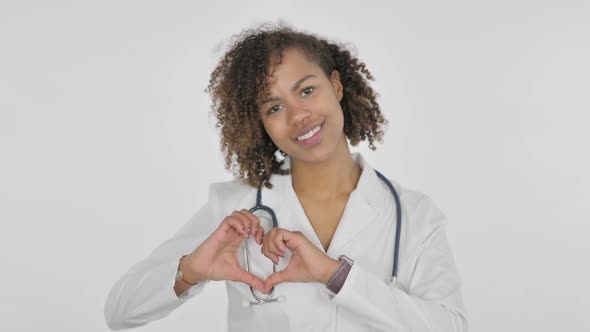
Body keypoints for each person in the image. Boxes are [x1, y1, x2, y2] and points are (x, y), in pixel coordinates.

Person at [104, 24, 468, 331]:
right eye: (274, 107)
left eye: (307, 90)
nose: (298, 116)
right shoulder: (232, 208)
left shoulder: (415, 216)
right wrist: (190, 271)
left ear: (336, 86)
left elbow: (451, 326)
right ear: (259, 123)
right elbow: (119, 311)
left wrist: (336, 275)